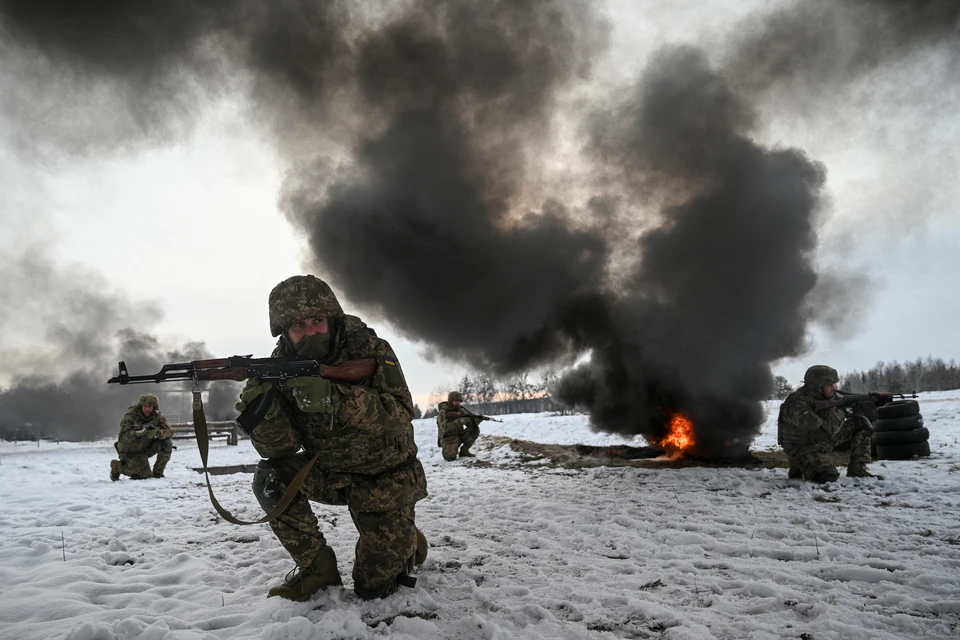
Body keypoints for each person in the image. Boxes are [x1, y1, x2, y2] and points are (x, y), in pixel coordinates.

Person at [235, 275, 428, 601]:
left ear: (331, 317)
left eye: (316, 321)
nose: (310, 331)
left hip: (385, 480)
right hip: (329, 474)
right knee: (271, 477)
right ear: (284, 331)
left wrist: (334, 398)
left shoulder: (368, 348)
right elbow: (281, 449)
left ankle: (405, 538)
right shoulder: (280, 366)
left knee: (374, 590)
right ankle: (317, 570)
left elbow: (399, 415)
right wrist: (263, 413)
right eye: (298, 326)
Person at [777, 365, 876, 483]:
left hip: (818, 442)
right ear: (818, 386)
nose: (833, 388)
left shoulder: (826, 396)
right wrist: (840, 412)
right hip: (802, 447)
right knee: (827, 476)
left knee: (860, 423)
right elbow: (822, 434)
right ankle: (798, 463)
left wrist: (868, 403)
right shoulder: (797, 403)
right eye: (830, 385)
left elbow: (844, 399)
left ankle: (857, 468)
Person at [110, 393, 174, 481]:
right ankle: (117, 466)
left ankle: (158, 473)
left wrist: (158, 433)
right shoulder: (131, 417)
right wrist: (135, 433)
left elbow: (170, 432)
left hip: (146, 448)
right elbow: (123, 438)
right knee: (143, 476)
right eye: (145, 406)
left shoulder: (157, 417)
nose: (148, 409)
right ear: (141, 406)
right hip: (130, 451)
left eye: (150, 407)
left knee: (167, 443)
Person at [436, 391, 485, 461]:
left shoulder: (461, 410)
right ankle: (452, 449)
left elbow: (470, 423)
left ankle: (464, 451)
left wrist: (477, 420)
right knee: (450, 457)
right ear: (450, 401)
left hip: (459, 435)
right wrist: (461, 421)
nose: (458, 403)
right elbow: (446, 429)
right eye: (456, 401)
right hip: (448, 438)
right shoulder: (443, 412)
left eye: (459, 401)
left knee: (474, 430)